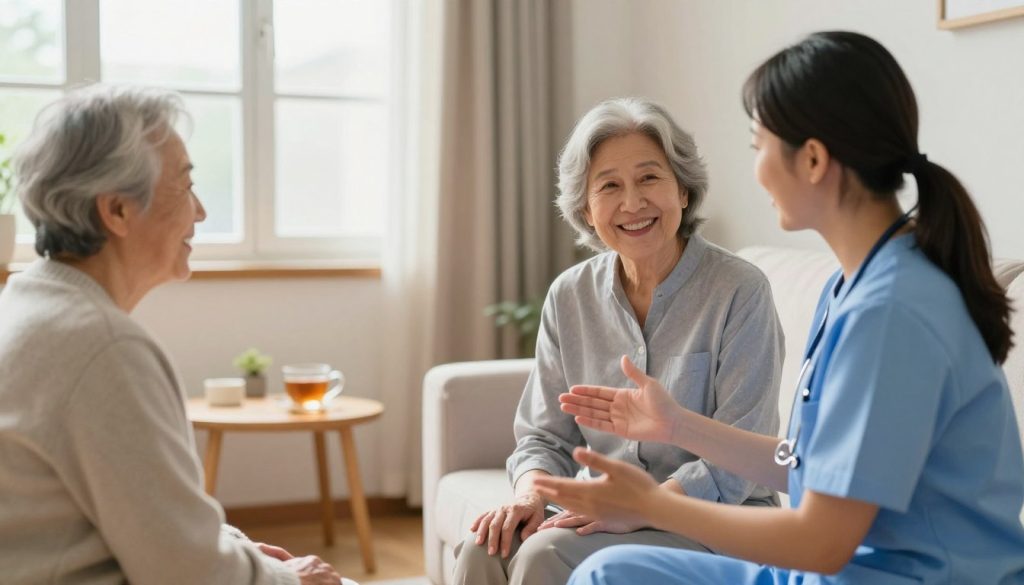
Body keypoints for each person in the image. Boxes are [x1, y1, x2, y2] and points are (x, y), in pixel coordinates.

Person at [533, 31, 1024, 584]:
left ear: (812, 159)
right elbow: (805, 463)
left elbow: (822, 542)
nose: (756, 168)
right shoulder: (853, 288)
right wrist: (679, 425)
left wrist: (651, 505)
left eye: (757, 145)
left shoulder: (891, 314)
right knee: (610, 574)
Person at [0, 85, 354, 585]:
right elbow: (190, 574)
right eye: (185, 185)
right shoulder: (102, 347)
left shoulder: (31, 304)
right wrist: (288, 580)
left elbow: (148, 518)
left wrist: (234, 547)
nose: (201, 211)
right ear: (117, 210)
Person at [453, 97, 785, 585]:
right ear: (587, 210)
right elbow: (544, 436)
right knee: (484, 548)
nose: (633, 203)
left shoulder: (740, 291)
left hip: (721, 520)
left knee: (545, 555)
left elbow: (737, 462)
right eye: (609, 186)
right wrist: (528, 496)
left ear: (684, 191)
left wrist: (644, 507)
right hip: (611, 512)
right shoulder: (570, 296)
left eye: (650, 178)